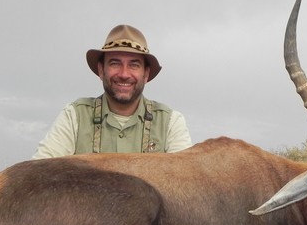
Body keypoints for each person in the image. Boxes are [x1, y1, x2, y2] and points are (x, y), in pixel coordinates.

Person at [33, 24, 192, 157]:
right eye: (115, 63)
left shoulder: (171, 122)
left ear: (146, 74)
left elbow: (185, 183)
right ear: (101, 70)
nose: (124, 74)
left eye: (134, 65)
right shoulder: (74, 115)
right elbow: (38, 174)